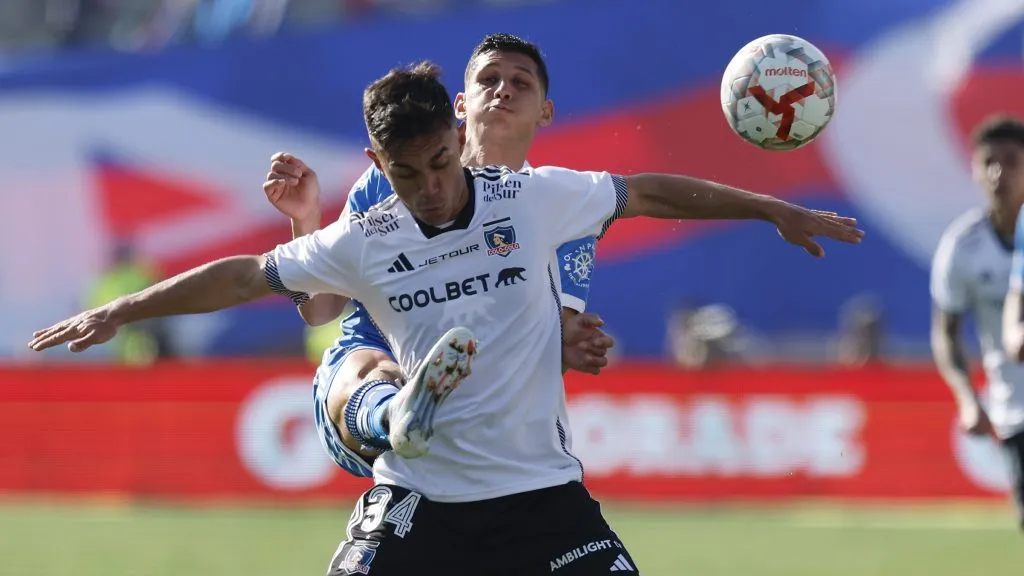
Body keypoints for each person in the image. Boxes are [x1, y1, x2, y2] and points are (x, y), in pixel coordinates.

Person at [30, 61, 863, 575]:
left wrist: (770, 210)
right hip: (414, 491)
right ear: (375, 166)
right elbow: (249, 275)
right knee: (360, 374)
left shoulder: (531, 198)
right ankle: (400, 413)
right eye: (404, 172)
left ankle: (403, 409)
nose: (429, 188)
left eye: (438, 164)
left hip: (540, 498)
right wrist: (121, 308)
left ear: (457, 138)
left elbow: (646, 191)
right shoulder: (366, 232)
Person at [264, 33, 613, 479]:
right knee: (373, 367)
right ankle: (396, 413)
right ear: (461, 107)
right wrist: (305, 220)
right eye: (489, 79)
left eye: (520, 83)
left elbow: (546, 353)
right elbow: (320, 310)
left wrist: (571, 345)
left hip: (477, 417)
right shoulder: (392, 175)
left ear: (546, 112)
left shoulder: (563, 213)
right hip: (370, 389)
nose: (503, 89)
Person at [932, 116, 1024, 531]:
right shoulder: (962, 246)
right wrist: (967, 397)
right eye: (988, 161)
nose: (998, 173)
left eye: (1011, 160)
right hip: (1015, 408)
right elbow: (946, 331)